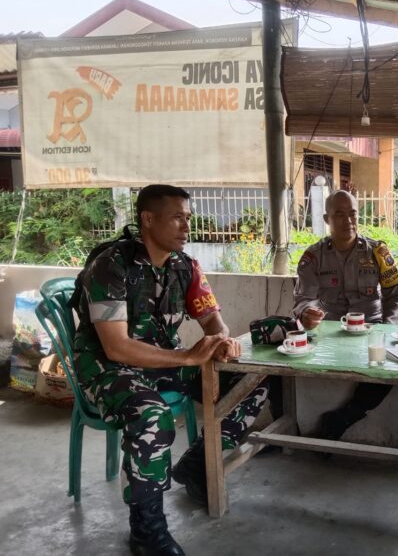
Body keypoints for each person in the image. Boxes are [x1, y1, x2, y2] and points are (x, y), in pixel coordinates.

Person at [74, 185, 269, 556]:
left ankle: (194, 466)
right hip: (106, 367)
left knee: (251, 382)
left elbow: (215, 322)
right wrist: (187, 358)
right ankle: (147, 530)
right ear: (148, 219)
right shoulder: (110, 266)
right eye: (178, 217)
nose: (186, 226)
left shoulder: (185, 266)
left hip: (162, 361)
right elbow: (116, 346)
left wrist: (221, 342)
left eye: (188, 217)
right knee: (152, 416)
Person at [293, 190, 398, 440]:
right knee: (282, 357)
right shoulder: (314, 257)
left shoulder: (378, 252)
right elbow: (303, 298)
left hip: (372, 329)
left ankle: (342, 419)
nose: (348, 221)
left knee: (393, 368)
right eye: (339, 215)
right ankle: (286, 427)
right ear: (326, 219)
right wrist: (307, 313)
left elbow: (396, 294)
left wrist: (387, 330)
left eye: (353, 214)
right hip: (329, 333)